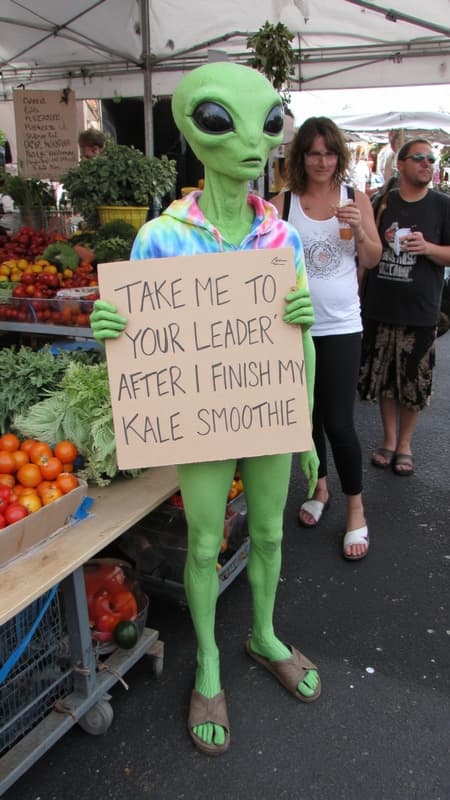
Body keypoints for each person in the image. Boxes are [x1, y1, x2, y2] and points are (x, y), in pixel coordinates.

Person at [90, 62, 321, 757]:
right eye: (223, 121)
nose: (253, 141)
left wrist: (307, 427)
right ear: (193, 133)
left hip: (268, 409)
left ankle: (264, 634)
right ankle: (210, 662)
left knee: (271, 534)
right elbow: (139, 342)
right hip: (203, 417)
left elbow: (300, 341)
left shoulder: (282, 238)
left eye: (269, 123)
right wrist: (111, 327)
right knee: (202, 542)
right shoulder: (160, 237)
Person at [272, 116, 382, 560]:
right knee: (307, 419)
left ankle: (356, 509)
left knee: (339, 422)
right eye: (313, 153)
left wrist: (361, 229)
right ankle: (320, 487)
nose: (322, 161)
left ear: (340, 156)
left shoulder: (356, 199)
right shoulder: (281, 204)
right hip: (293, 327)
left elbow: (372, 258)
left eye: (330, 153)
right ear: (300, 158)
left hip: (341, 326)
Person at [358, 138, 450, 476]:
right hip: (380, 306)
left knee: (414, 382)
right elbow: (364, 249)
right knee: (385, 380)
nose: (427, 163)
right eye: (419, 158)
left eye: (431, 159)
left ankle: (405, 444)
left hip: (421, 309)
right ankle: (388, 438)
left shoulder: (442, 205)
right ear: (400, 165)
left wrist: (427, 248)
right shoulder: (382, 202)